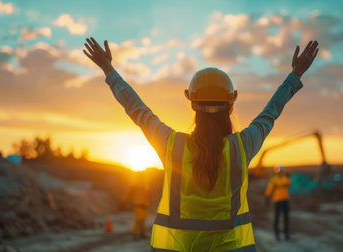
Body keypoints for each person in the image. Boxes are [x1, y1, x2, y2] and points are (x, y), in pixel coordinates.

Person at [83, 37, 319, 251]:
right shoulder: (241, 147)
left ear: (192, 105)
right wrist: (295, 75)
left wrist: (108, 70)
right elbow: (270, 113)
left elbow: (138, 110)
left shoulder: (172, 145)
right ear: (231, 106)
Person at [122, 171, 152, 240]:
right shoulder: (134, 186)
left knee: (143, 221)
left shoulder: (146, 185)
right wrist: (124, 201)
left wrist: (148, 203)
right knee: (138, 221)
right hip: (138, 206)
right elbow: (128, 194)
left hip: (145, 206)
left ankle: (142, 233)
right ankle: (134, 234)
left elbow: (149, 195)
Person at [264, 166, 292, 241]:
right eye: (279, 171)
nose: (280, 172)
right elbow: (269, 189)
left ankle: (286, 234)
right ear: (277, 172)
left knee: (286, 218)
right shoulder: (273, 180)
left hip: (285, 200)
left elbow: (289, 183)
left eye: (282, 171)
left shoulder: (285, 178)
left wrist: (288, 177)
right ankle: (277, 234)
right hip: (277, 201)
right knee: (277, 218)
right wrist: (267, 197)